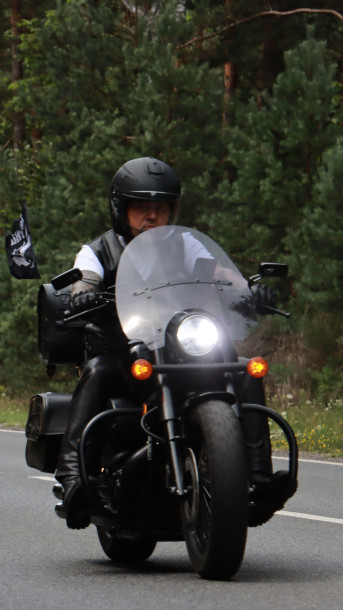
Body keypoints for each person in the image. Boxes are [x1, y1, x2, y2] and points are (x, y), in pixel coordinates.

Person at [54, 157, 291, 529]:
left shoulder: (186, 244)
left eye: (160, 208)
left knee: (243, 366)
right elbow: (85, 278)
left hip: (183, 346)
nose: (152, 217)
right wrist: (82, 294)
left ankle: (258, 479)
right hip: (126, 352)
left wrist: (248, 290)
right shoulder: (97, 251)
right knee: (98, 370)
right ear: (121, 209)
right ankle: (71, 477)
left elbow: (220, 272)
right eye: (141, 208)